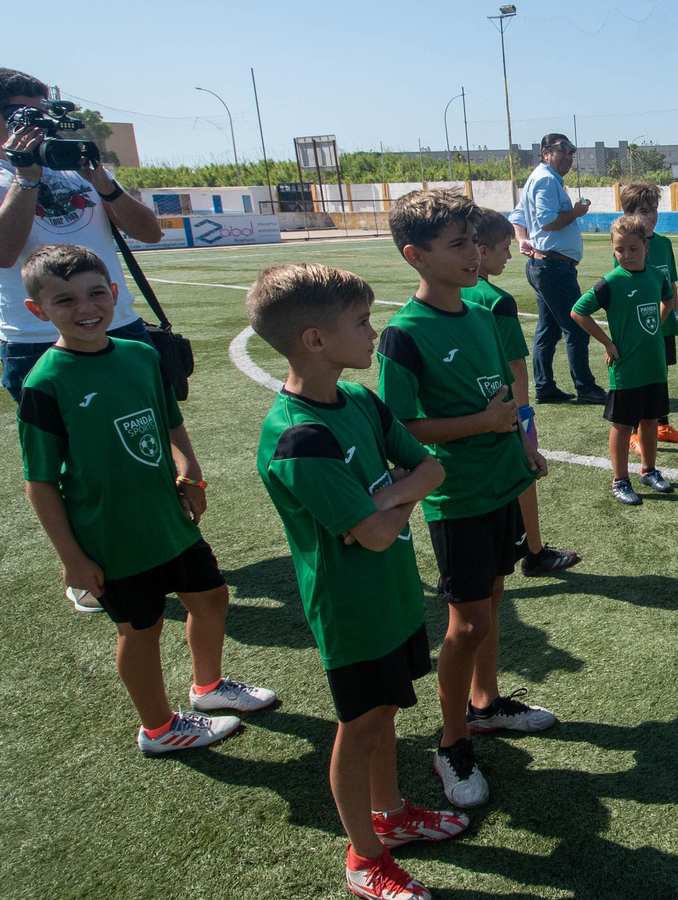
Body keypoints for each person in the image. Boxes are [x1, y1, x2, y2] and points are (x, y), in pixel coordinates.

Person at [250, 263, 467, 900]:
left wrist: (385, 501)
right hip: (352, 609)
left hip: (394, 593)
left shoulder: (362, 403)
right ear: (315, 339)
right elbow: (372, 533)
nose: (375, 332)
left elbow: (432, 471)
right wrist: (388, 508)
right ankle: (363, 858)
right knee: (361, 725)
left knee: (387, 714)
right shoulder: (298, 438)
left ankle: (392, 814)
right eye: (362, 321)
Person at [17, 244, 275, 757]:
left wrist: (191, 473)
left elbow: (169, 423)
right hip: (112, 537)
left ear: (114, 294)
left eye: (95, 293)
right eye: (64, 300)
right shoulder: (45, 384)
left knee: (212, 598)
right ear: (37, 311)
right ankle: (158, 728)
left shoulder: (140, 354)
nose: (86, 307)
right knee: (141, 628)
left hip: (168, 519)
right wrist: (72, 559)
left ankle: (207, 688)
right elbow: (40, 482)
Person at [378, 189, 558, 809]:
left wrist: (520, 443)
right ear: (415, 256)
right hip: (455, 498)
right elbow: (395, 433)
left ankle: (485, 704)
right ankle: (451, 742)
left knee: (495, 598)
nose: (474, 254)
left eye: (475, 241)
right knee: (468, 620)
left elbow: (502, 401)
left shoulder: (481, 313)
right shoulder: (403, 334)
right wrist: (479, 426)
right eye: (457, 244)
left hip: (500, 482)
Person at [0, 68, 164, 404]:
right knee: (63, 445)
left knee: (150, 425)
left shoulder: (75, 165)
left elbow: (150, 233)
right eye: (20, 116)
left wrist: (102, 182)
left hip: (118, 324)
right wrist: (25, 177)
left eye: (41, 113)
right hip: (38, 337)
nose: (35, 125)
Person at [462, 206, 581, 576]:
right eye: (502, 249)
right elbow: (515, 364)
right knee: (523, 473)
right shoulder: (496, 300)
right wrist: (524, 418)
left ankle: (468, 556)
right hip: (503, 408)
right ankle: (533, 550)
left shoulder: (453, 294)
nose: (510, 255)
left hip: (467, 410)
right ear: (480, 250)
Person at [570, 215, 677, 505]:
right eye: (620, 250)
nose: (626, 255)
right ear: (613, 250)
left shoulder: (657, 276)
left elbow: (668, 299)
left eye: (633, 248)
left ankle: (649, 470)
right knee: (621, 423)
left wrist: (657, 323)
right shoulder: (611, 282)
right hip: (626, 367)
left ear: (646, 247)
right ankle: (620, 479)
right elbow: (578, 312)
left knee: (650, 420)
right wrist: (607, 342)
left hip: (653, 364)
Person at [516, 133, 605, 405]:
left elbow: (518, 215)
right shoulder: (545, 180)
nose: (568, 156)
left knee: (549, 329)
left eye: (571, 152)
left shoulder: (540, 178)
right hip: (554, 266)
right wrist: (577, 212)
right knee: (576, 327)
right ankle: (585, 387)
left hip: (545, 264)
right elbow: (546, 221)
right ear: (545, 153)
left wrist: (521, 238)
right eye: (562, 150)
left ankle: (545, 387)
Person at [618, 182, 678, 454]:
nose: (651, 216)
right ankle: (637, 431)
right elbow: (623, 288)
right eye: (643, 211)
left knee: (660, 374)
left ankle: (662, 425)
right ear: (628, 214)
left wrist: (676, 313)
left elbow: (670, 282)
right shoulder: (627, 246)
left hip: (664, 323)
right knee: (642, 378)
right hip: (640, 326)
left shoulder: (664, 243)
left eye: (654, 210)